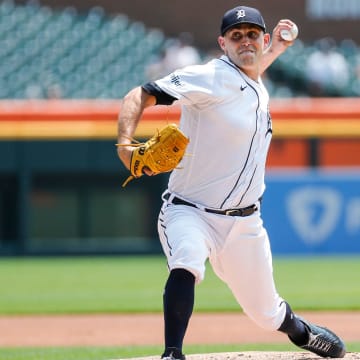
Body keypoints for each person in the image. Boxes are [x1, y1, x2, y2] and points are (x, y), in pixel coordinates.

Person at [117, 5, 346, 360]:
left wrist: (277, 51)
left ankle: (302, 332)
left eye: (252, 35)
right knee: (187, 261)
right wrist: (125, 145)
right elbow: (139, 94)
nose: (245, 42)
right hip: (190, 210)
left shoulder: (252, 80)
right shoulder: (209, 76)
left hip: (245, 224)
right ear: (223, 44)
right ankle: (172, 352)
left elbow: (246, 77)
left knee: (267, 312)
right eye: (236, 36)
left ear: (263, 39)